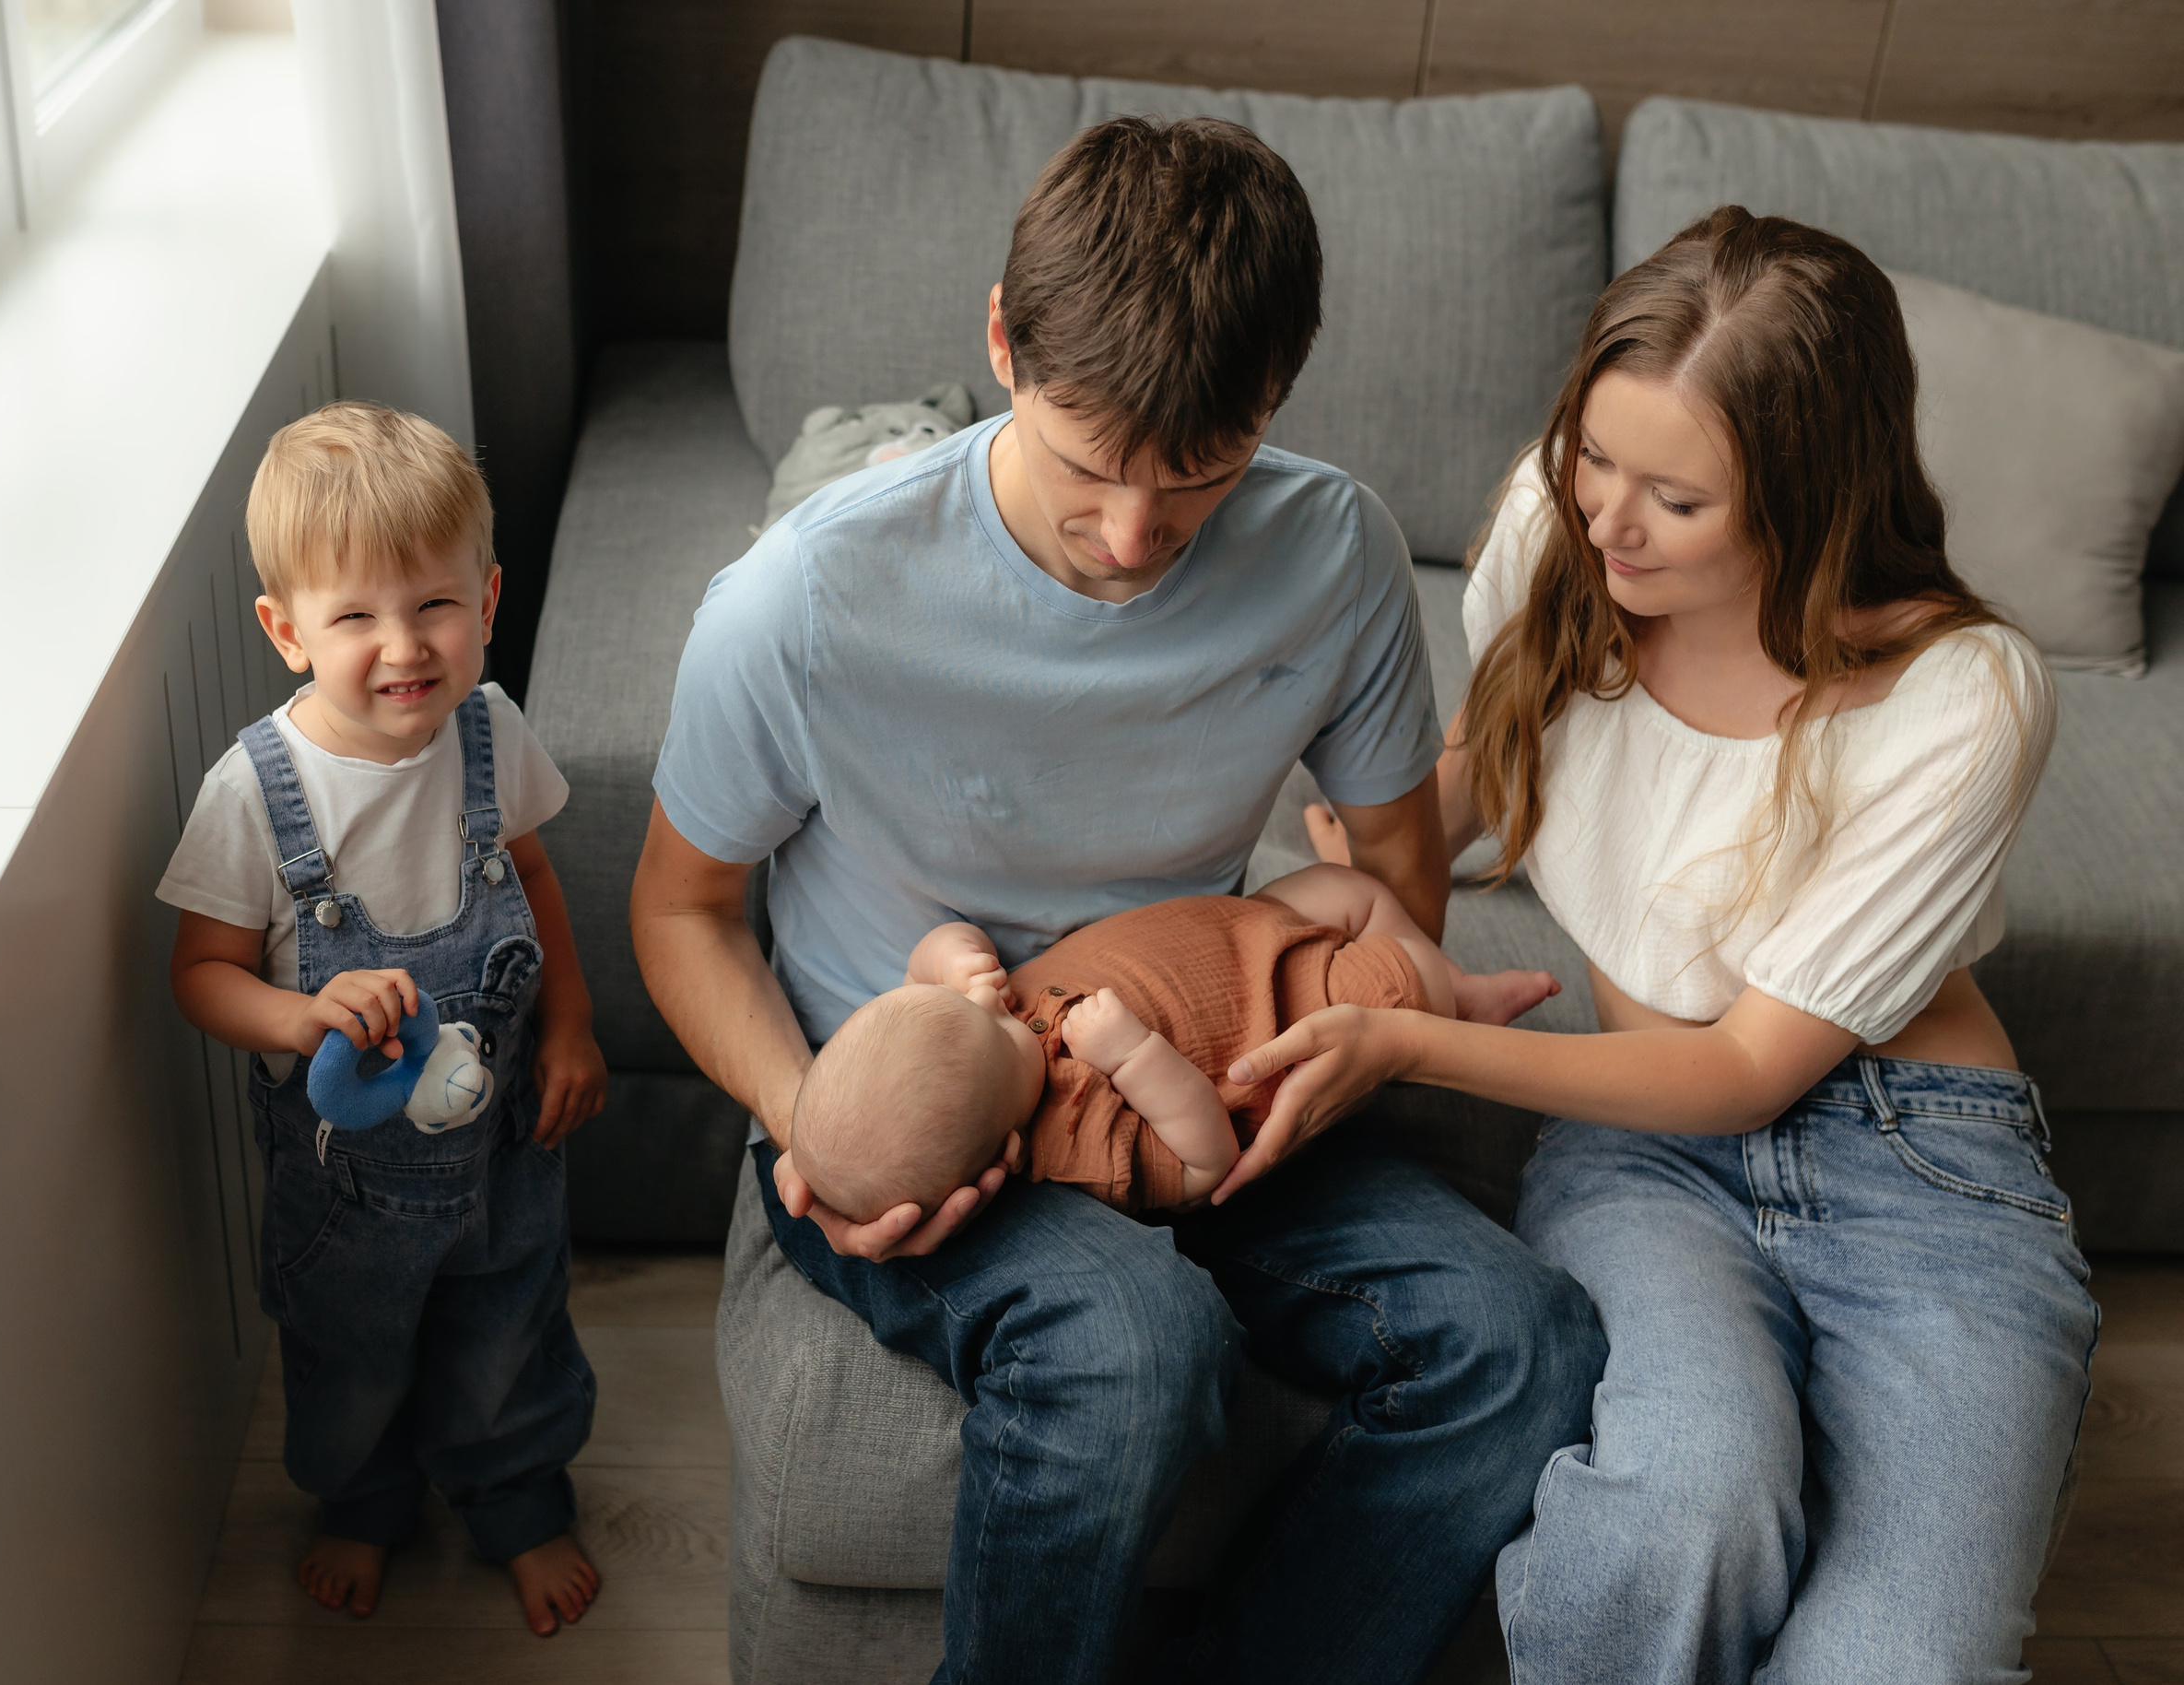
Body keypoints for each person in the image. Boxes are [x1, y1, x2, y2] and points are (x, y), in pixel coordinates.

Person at [632, 115, 1605, 1683]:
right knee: (1141, 1349)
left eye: (1200, 477)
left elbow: (1400, 874)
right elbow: (680, 913)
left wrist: (1348, 1008)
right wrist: (816, 1116)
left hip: (1197, 1075)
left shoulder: (1337, 551)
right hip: (931, 1115)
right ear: (1003, 342)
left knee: (1526, 1343)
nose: (1137, 536)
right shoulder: (803, 600)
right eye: (1091, 470)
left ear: (1274, 394)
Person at [1271, 207, 2100, 1680]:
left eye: (1676, 498)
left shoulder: (1966, 693)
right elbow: (1490, 753)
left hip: (1920, 1163)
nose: (1606, 520)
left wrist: (1406, 1039)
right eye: (1595, 456)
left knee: (1896, 1663)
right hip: (1647, 1157)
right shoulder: (1565, 531)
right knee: (1678, 1515)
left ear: (1810, 495)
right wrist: (1347, 860)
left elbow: (1745, 1071)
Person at [158, 403, 610, 1636]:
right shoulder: (256, 790)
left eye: (434, 607)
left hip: (502, 1144)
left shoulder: (487, 733)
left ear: (489, 599)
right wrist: (303, 1017)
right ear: (287, 630)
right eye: (355, 616)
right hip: (346, 1183)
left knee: (507, 1330)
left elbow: (539, 879)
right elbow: (201, 974)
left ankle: (515, 1500)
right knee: (350, 1354)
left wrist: (570, 1022)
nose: (404, 647)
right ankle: (364, 1503)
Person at [790, 863, 1558, 1220]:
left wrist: (949, 959)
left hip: (1243, 932)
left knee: (1340, 887)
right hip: (1294, 1014)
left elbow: (935, 957)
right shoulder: (1082, 1148)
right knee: (1408, 973)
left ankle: (1454, 985)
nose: (1003, 1006)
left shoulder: (965, 1017)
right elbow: (1205, 1163)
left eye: (979, 1006)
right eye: (1000, 1029)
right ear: (1005, 1154)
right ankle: (1459, 999)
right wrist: (1131, 1057)